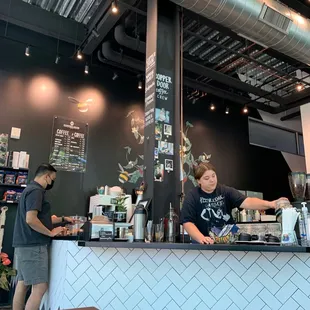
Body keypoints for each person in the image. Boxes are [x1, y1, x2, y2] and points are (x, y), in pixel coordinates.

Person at [12, 163, 73, 310]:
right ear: (47, 176)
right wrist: (51, 233)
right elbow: (31, 219)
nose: (52, 182)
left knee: (22, 283)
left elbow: (40, 219)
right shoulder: (36, 192)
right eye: (53, 178)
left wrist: (64, 218)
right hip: (33, 244)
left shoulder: (29, 189)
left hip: (23, 243)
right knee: (40, 287)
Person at [181, 162, 288, 244]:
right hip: (204, 243)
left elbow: (247, 201)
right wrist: (201, 238)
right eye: (207, 178)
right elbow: (187, 222)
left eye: (214, 176)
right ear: (198, 181)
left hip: (228, 240)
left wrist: (271, 204)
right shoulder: (192, 196)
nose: (212, 180)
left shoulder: (225, 191)